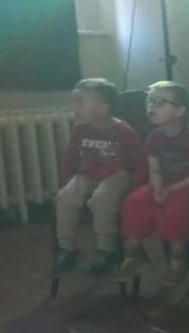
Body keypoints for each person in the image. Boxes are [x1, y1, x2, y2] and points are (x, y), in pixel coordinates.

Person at [114, 82, 189, 287]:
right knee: (134, 201)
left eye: (160, 102)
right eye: (150, 101)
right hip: (162, 185)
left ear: (179, 110)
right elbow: (155, 170)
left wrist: (170, 189)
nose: (152, 106)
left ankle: (177, 260)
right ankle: (135, 254)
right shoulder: (154, 136)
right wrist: (157, 187)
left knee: (176, 209)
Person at [53, 78, 147, 277]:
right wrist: (67, 181)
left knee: (101, 199)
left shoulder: (124, 131)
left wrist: (134, 189)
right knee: (65, 198)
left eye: (80, 102)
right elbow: (70, 157)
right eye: (74, 102)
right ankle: (66, 248)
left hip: (116, 174)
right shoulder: (80, 130)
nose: (75, 107)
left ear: (103, 108)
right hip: (86, 174)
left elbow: (140, 161)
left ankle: (106, 249)